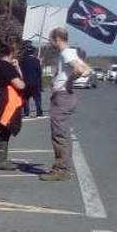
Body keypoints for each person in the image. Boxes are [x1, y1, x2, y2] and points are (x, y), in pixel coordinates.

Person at [40, 27, 90, 181]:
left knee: (59, 134)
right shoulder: (71, 52)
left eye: (51, 39)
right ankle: (62, 167)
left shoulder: (66, 52)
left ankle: (61, 169)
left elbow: (81, 70)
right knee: (62, 133)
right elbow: (88, 69)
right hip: (65, 97)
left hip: (62, 98)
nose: (50, 42)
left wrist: (68, 82)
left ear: (57, 39)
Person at [0, 41, 27, 171]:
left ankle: (0, 158)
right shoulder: (6, 66)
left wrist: (17, 68)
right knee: (6, 128)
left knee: (5, 130)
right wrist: (16, 69)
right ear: (11, 52)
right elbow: (20, 84)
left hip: (3, 97)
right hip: (7, 100)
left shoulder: (0, 65)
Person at [19, 44, 43, 117]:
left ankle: (26, 112)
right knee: (37, 98)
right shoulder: (36, 61)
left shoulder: (22, 60)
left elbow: (20, 71)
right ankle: (39, 111)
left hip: (25, 82)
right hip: (35, 82)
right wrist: (40, 84)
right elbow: (39, 72)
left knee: (25, 97)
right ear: (33, 52)